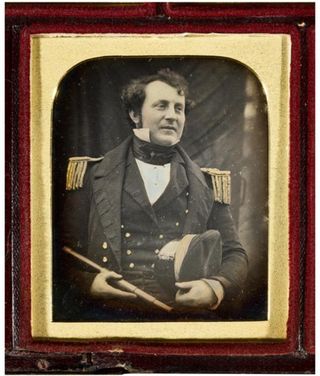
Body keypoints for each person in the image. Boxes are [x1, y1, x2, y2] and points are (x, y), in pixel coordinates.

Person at [58, 69, 248, 321]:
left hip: (182, 315)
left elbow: (235, 254)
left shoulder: (208, 184)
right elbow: (59, 252)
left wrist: (215, 287)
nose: (172, 116)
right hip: (107, 314)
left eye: (179, 109)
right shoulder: (92, 175)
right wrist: (89, 283)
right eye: (161, 106)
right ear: (135, 114)